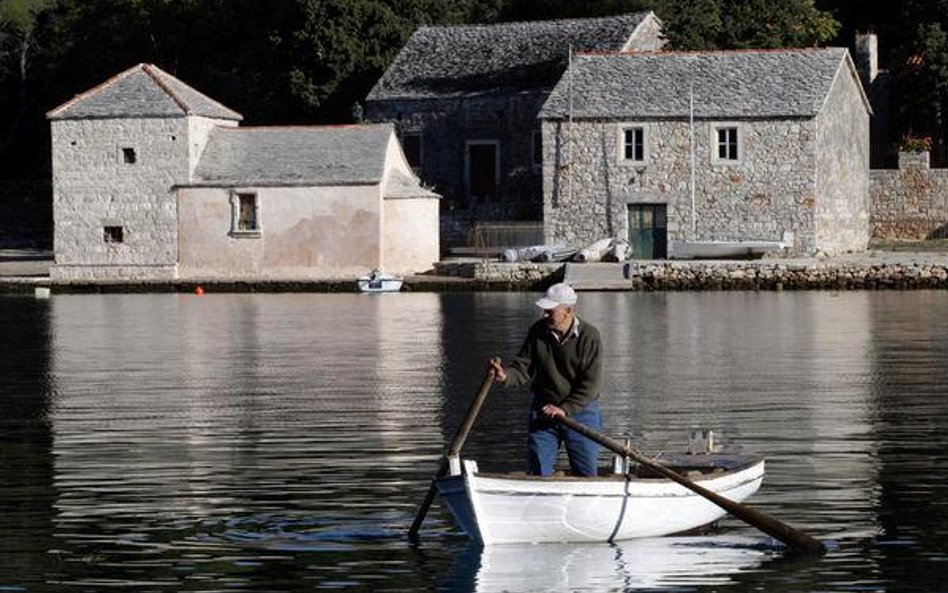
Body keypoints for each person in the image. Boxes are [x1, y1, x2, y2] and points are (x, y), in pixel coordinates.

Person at [489, 282, 603, 477]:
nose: (545, 315)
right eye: (544, 310)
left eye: (550, 311)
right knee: (538, 470)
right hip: (543, 409)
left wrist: (564, 409)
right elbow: (523, 368)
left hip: (581, 412)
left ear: (568, 310)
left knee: (586, 473)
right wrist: (505, 375)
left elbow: (590, 386)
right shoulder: (537, 331)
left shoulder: (589, 336)